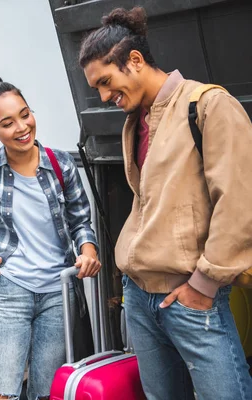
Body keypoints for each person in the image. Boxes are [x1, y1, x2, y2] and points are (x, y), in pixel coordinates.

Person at [79, 7, 252, 400]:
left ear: (135, 61)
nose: (104, 96)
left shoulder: (208, 105)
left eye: (106, 82)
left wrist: (202, 287)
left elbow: (241, 202)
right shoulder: (135, 120)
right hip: (139, 297)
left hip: (189, 297)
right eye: (97, 89)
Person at [0, 75, 101, 400]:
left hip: (57, 292)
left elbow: (81, 220)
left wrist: (88, 250)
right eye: (8, 123)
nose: (22, 127)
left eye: (25, 114)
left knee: (45, 393)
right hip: (9, 290)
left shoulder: (60, 163)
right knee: (2, 392)